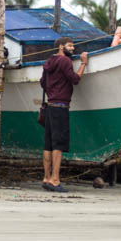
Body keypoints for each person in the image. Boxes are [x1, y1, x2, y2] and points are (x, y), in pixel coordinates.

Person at [40, 35, 88, 192]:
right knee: (58, 145)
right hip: (61, 107)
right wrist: (83, 63)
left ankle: (46, 178)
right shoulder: (65, 61)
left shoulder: (49, 62)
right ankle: (55, 180)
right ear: (61, 47)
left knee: (48, 144)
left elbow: (43, 83)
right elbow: (75, 79)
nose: (72, 48)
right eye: (69, 46)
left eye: (73, 46)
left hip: (50, 106)